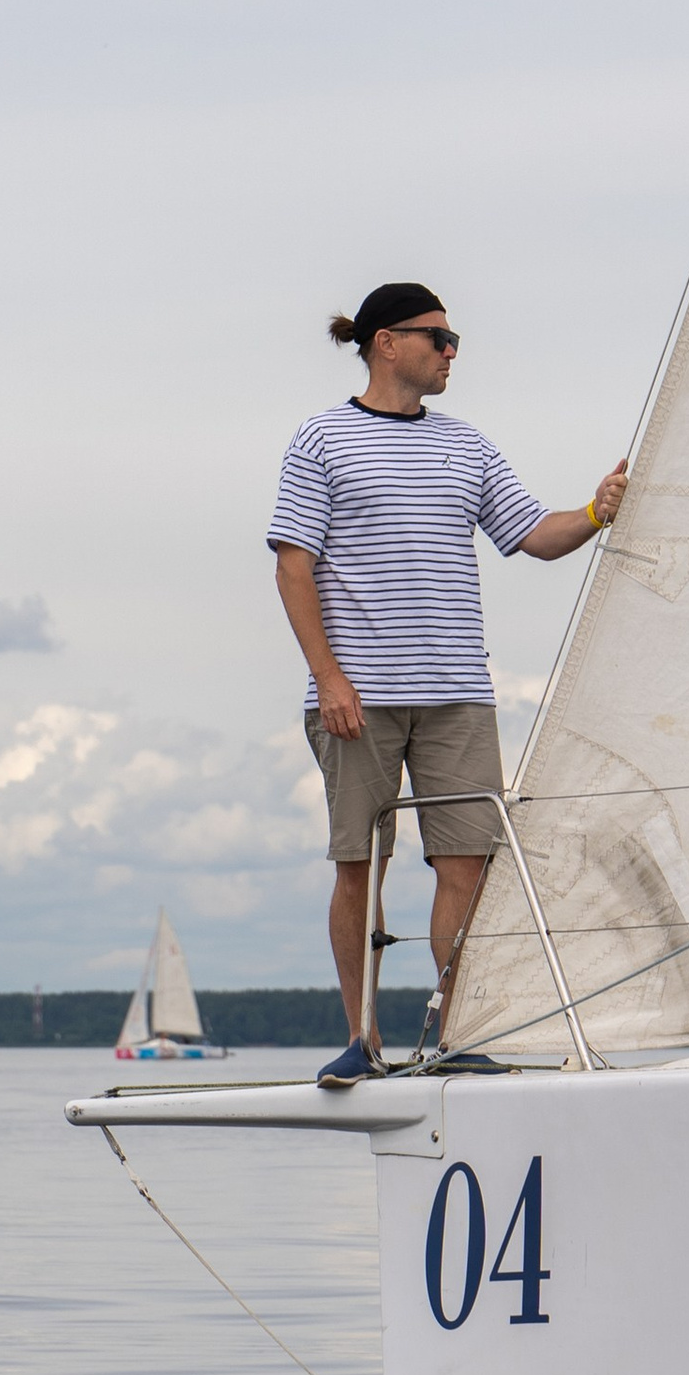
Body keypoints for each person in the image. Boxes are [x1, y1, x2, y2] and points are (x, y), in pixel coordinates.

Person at [269, 284, 628, 1083]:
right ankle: (362, 1041)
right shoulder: (320, 440)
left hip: (458, 694)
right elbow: (294, 567)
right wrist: (329, 677)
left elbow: (534, 536)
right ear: (386, 343)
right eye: (439, 337)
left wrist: (597, 511)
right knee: (360, 866)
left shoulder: (467, 446)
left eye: (453, 338)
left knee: (468, 863)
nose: (452, 351)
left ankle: (456, 1035)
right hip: (355, 697)